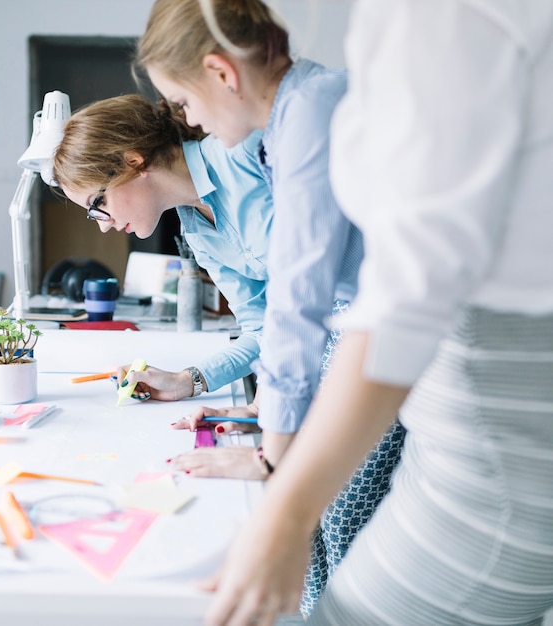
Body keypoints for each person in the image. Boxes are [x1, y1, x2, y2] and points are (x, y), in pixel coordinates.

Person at [194, 1, 553, 625]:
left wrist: (285, 507)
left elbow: (396, 298)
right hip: (459, 424)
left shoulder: (436, 20)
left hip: (495, 450)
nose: (190, 122)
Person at [138, 0, 405, 615]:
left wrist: (272, 462)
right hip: (372, 331)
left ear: (220, 73)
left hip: (399, 337)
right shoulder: (286, 124)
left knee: (332, 525)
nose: (188, 120)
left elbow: (298, 295)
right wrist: (271, 442)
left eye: (183, 103)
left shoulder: (308, 110)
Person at [52, 94, 272, 401]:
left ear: (133, 161)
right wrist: (188, 380)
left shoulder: (243, 150)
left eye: (97, 203)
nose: (103, 224)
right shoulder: (197, 234)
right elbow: (262, 331)